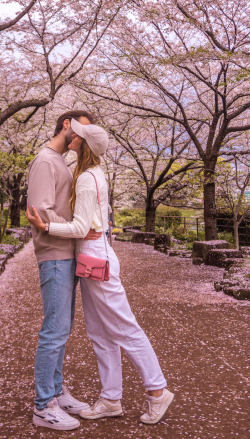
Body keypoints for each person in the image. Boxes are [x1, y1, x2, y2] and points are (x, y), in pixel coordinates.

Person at [27, 119, 174, 426]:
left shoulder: (85, 178)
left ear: (84, 145)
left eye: (78, 137)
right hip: (90, 257)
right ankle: (110, 399)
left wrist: (46, 226)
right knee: (99, 332)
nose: (73, 138)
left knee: (123, 327)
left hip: (94, 256)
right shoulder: (88, 173)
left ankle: (158, 390)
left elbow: (82, 227)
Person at [27, 110, 102, 431]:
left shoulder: (60, 162)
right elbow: (39, 214)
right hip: (54, 254)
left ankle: (56, 391)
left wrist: (80, 228)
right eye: (82, 130)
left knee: (62, 329)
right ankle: (43, 405)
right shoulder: (45, 161)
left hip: (66, 252)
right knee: (54, 330)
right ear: (67, 125)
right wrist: (77, 228)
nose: (84, 138)